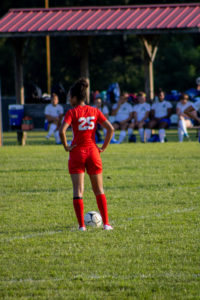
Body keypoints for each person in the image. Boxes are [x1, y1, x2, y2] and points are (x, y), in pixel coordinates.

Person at [59, 78, 114, 231]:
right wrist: (103, 147)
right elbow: (110, 129)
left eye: (70, 97)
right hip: (93, 152)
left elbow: (62, 131)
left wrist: (66, 146)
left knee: (78, 190)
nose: (69, 99)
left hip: (77, 153)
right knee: (99, 190)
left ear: (75, 98)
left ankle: (82, 226)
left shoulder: (72, 112)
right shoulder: (95, 111)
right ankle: (106, 224)